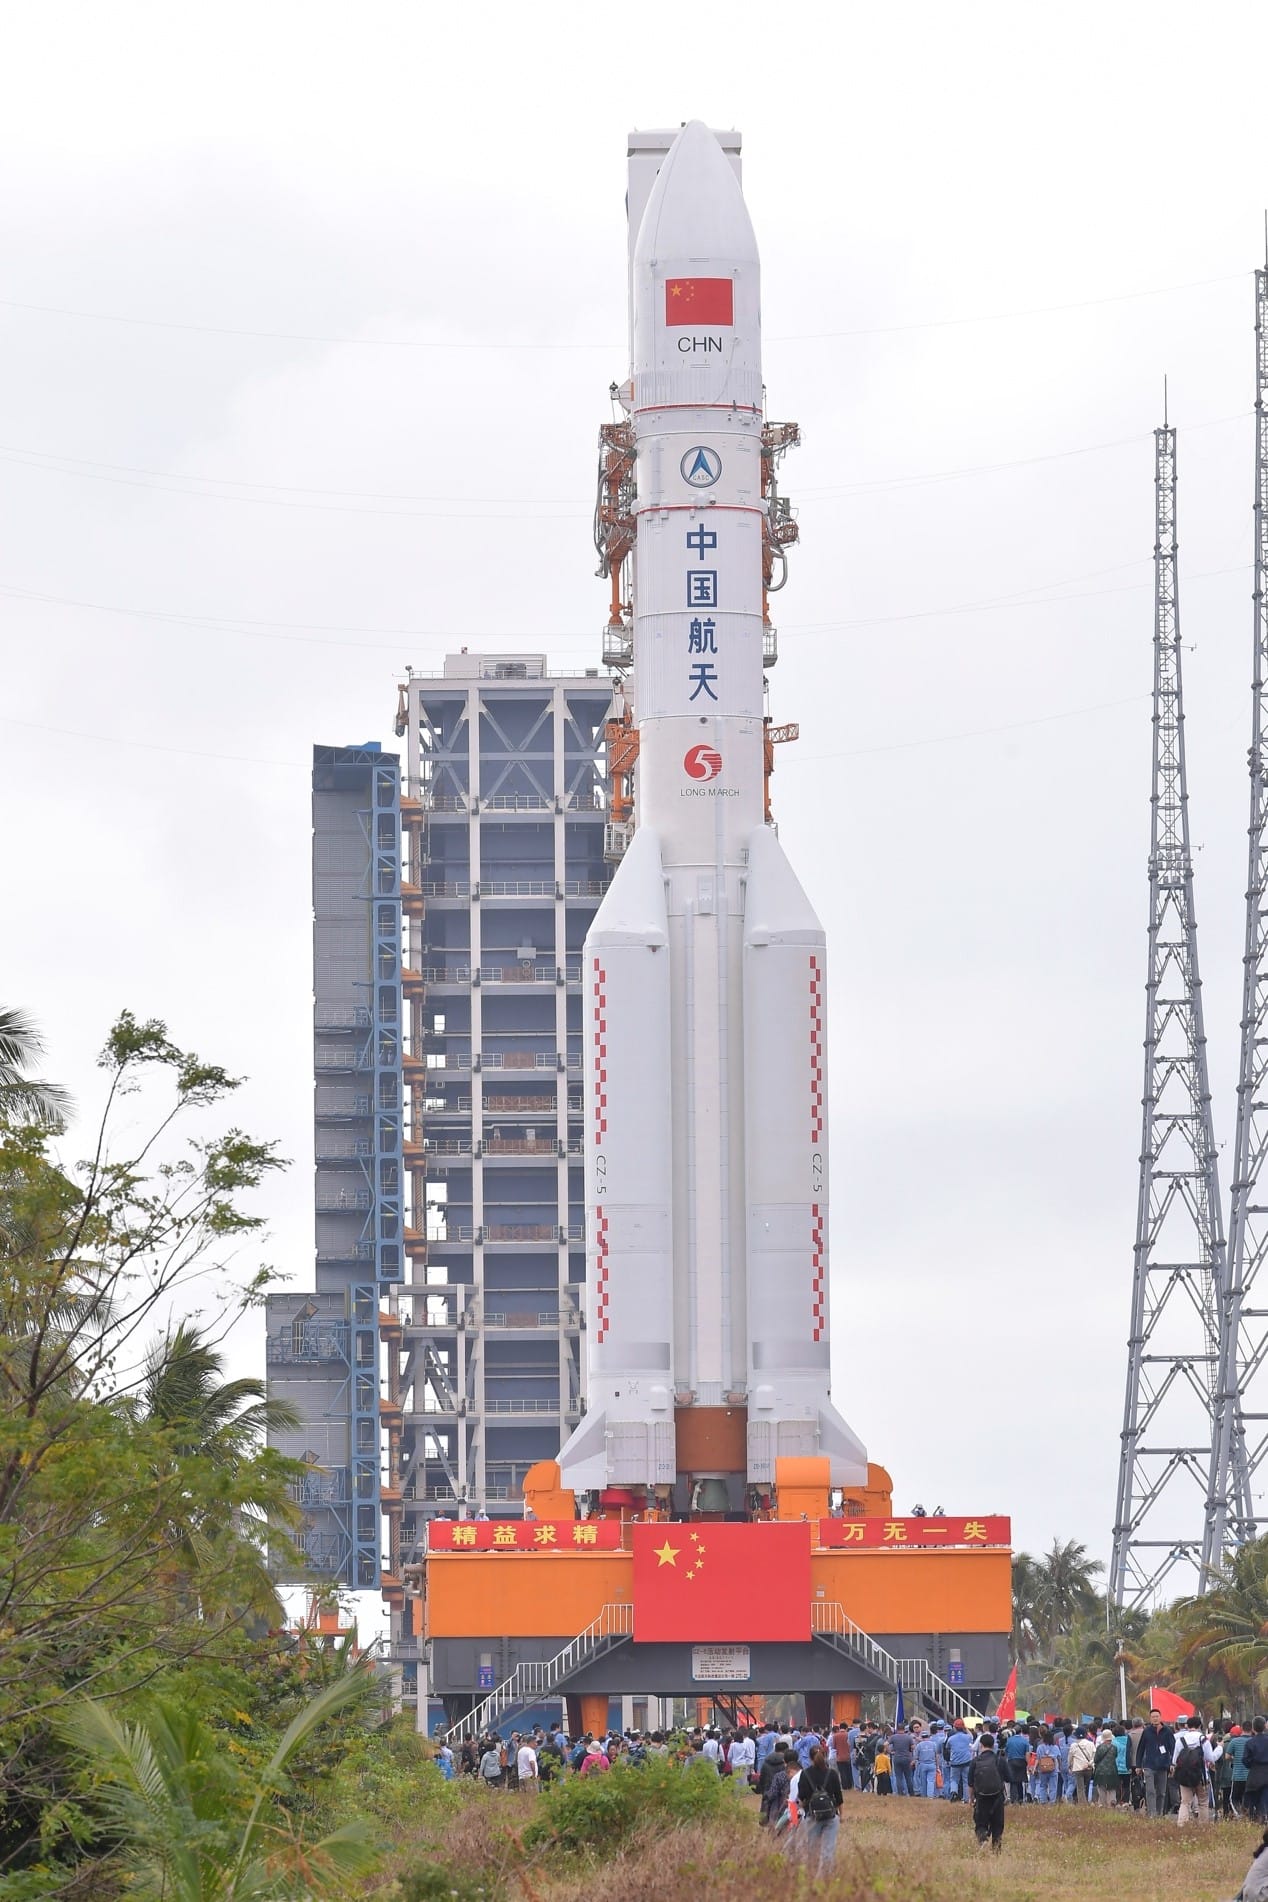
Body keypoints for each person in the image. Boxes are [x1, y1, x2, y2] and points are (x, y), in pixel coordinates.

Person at [796, 1744, 844, 1868]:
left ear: (810, 1758)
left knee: (812, 1847)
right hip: (831, 1815)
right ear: (825, 1756)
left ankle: (813, 1872)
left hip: (813, 1816)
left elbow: (801, 1797)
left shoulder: (805, 1774)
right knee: (829, 1849)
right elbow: (839, 1797)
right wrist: (841, 1815)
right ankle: (827, 1873)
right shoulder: (832, 1773)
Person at [968, 1732, 1006, 1852]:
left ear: (981, 1745)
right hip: (997, 1797)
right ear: (993, 1745)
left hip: (981, 1797)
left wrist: (971, 1798)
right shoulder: (999, 1759)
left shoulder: (975, 1761)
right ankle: (996, 1849)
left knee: (980, 1822)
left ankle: (983, 1838)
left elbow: (970, 1783)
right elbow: (1009, 1777)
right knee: (997, 1825)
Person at [1137, 1708, 1176, 1818]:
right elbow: (1140, 1749)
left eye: (1157, 1716)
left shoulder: (1167, 1731)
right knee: (1150, 1790)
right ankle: (1152, 1813)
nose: (1155, 1718)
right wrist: (1138, 1765)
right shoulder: (1146, 1731)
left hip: (1163, 1765)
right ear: (1150, 1718)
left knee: (1161, 1792)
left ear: (1160, 1717)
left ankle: (1159, 1813)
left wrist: (1172, 1763)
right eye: (1153, 1717)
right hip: (1149, 1765)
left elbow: (1173, 1748)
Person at [1242, 1717, 1268, 1823]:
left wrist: (1251, 1764)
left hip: (1255, 1774)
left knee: (1253, 1800)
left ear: (1253, 1728)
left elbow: (1245, 1760)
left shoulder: (1250, 1743)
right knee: (1265, 1799)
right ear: (1265, 1726)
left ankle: (1255, 1820)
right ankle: (1264, 1817)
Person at [945, 1720, 974, 1803]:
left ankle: (954, 1792)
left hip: (955, 1762)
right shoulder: (968, 1737)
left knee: (954, 1779)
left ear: (954, 1728)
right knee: (966, 1780)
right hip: (966, 1761)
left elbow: (948, 1747)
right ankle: (966, 1799)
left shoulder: (951, 1739)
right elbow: (971, 1739)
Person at [1031, 1725, 1059, 1805]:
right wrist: (1059, 1767)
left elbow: (1037, 1758)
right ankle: (1052, 1801)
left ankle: (1043, 1800)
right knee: (1053, 1786)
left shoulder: (1040, 1747)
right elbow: (1058, 1757)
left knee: (1043, 1785)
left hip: (1042, 1769)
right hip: (1053, 1769)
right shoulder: (1055, 1747)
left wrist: (1035, 1768)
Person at [1003, 1724, 1030, 1805]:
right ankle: (1021, 1798)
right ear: (1021, 1731)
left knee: (1012, 1781)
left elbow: (1006, 1752)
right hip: (1021, 1762)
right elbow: (1027, 1754)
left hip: (1011, 1761)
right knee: (1020, 1781)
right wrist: (1028, 1764)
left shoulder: (1009, 1740)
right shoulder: (1025, 1740)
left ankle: (1013, 1798)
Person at [1093, 1728, 1120, 1807]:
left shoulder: (1099, 1747)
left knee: (1101, 1787)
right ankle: (1112, 1800)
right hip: (1112, 1770)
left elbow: (1096, 1759)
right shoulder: (1114, 1748)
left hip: (1100, 1771)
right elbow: (1115, 1756)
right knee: (1112, 1787)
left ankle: (1103, 1803)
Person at [1068, 1728, 1096, 1804]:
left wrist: (1069, 1766)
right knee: (1086, 1786)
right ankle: (1086, 1800)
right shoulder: (1091, 1744)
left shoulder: (1074, 1745)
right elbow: (1094, 1756)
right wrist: (1090, 1764)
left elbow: (1070, 1757)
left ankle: (1082, 1803)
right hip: (1089, 1768)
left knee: (1080, 1788)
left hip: (1077, 1768)